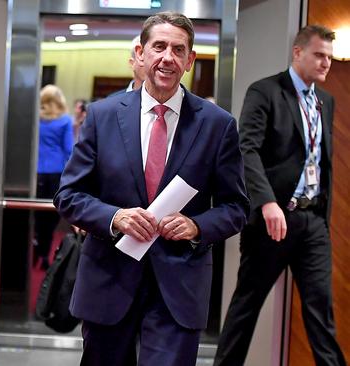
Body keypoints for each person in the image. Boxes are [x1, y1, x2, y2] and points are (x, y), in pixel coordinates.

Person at [54, 12, 248, 365]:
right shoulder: (102, 115)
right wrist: (115, 217)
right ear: (140, 53)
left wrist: (197, 226)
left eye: (178, 50)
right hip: (110, 280)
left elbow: (236, 207)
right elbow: (68, 196)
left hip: (179, 288)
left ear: (189, 61)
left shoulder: (217, 125)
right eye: (159, 46)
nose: (167, 57)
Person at [215, 25, 346, 366]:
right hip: (273, 220)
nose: (325, 63)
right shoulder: (266, 91)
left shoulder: (324, 101)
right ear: (298, 52)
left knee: (321, 314)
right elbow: (247, 148)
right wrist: (267, 201)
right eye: (319, 55)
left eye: (329, 57)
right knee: (246, 307)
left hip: (313, 222)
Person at [34, 84, 74, 269]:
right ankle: (44, 254)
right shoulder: (65, 121)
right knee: (50, 217)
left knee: (35, 215)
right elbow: (68, 150)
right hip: (56, 173)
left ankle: (35, 245)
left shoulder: (36, 121)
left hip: (35, 173)